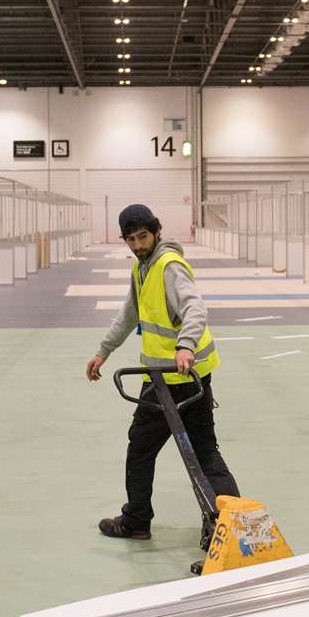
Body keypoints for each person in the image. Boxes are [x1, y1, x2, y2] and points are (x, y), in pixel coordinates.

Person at [84, 204, 240, 541]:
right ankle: (220, 528)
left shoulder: (169, 266)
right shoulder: (142, 270)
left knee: (189, 451)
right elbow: (129, 315)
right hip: (160, 377)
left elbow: (194, 307)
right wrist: (103, 351)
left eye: (143, 236)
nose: (138, 245)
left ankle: (152, 521)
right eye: (131, 239)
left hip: (181, 375)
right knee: (166, 449)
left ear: (157, 231)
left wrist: (185, 345)